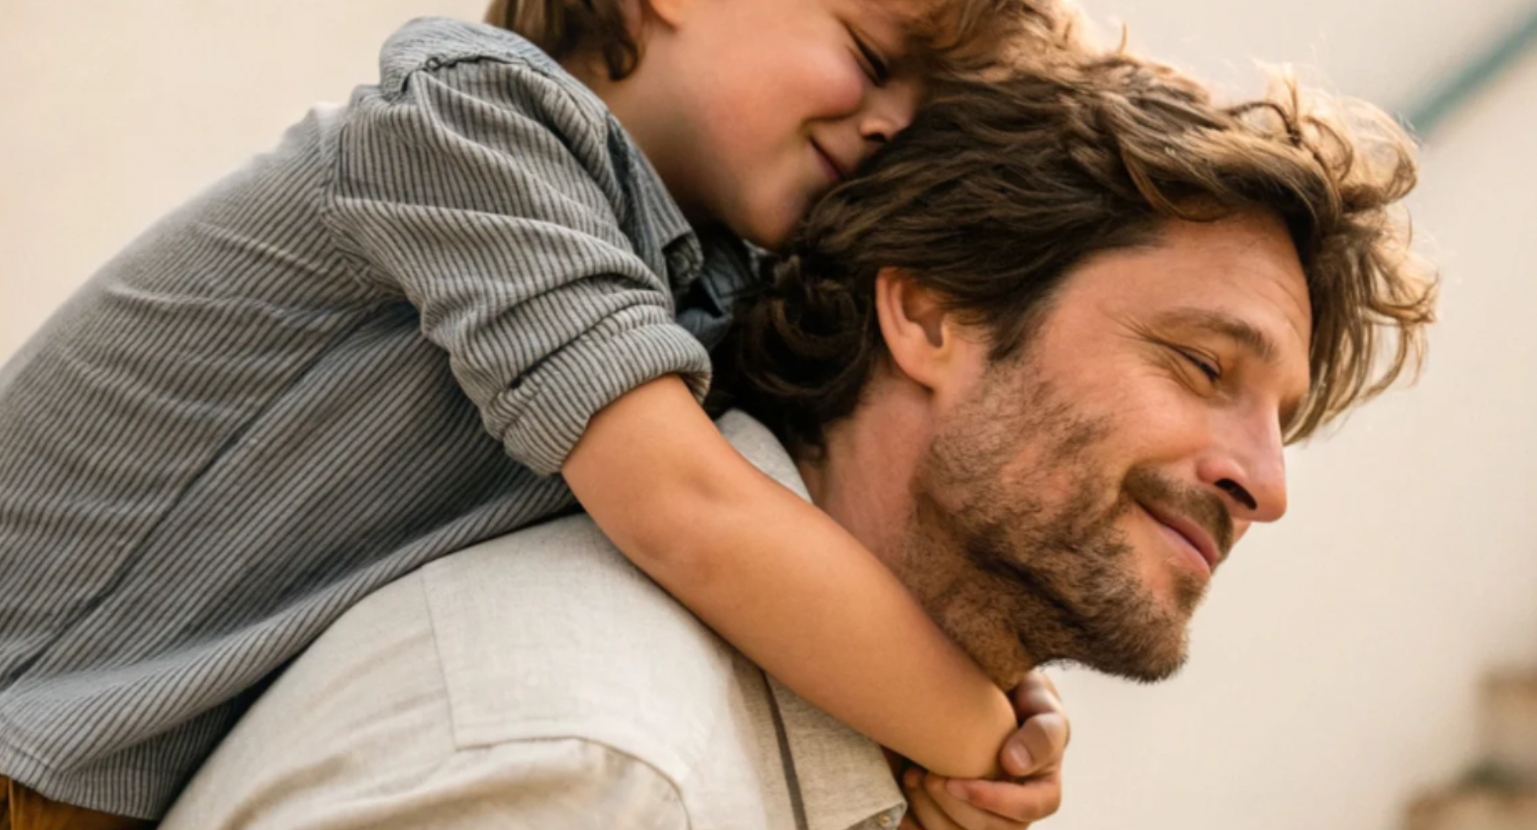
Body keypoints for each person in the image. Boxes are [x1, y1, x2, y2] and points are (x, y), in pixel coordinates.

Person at [0, 0, 1082, 829]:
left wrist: (968, 687)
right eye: (874, 56)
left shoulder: (703, 267)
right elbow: (694, 515)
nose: (891, 126)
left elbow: (802, 511)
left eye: (931, 118)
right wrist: (972, 732)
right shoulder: (472, 125)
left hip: (101, 773)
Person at [159, 54, 1436, 830]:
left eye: (1282, 426)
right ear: (930, 311)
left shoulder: (870, 762)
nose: (1261, 486)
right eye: (1202, 367)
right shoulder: (590, 771)